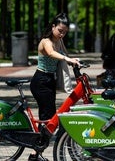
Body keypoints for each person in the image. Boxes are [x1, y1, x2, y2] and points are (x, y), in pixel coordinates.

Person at [29, 12, 80, 161]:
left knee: (49, 118)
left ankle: (37, 151)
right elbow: (52, 54)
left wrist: (73, 60)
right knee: (49, 119)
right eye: (60, 30)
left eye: (65, 32)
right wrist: (66, 58)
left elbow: (64, 54)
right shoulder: (46, 41)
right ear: (53, 27)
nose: (62, 34)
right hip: (40, 81)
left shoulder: (59, 41)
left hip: (49, 81)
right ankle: (35, 153)